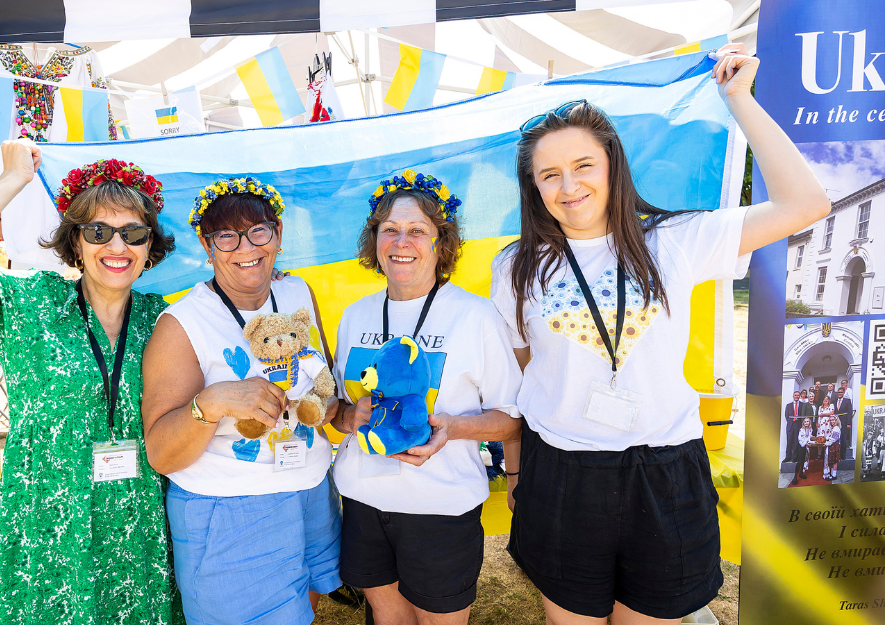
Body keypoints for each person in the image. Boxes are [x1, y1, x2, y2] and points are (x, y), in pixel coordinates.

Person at [491, 44, 831, 624]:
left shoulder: (673, 240)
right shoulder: (515, 266)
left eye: (583, 166)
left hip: (665, 473)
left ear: (612, 167)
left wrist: (739, 100)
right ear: (534, 188)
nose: (568, 185)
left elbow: (805, 203)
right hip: (564, 473)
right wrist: (522, 472)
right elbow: (528, 368)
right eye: (549, 174)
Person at [0, 141, 183, 625]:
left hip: (139, 522)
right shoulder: (31, 303)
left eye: (132, 233)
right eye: (99, 231)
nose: (117, 246)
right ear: (76, 241)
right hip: (51, 518)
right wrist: (12, 180)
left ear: (149, 246)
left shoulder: (164, 320)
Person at [141, 177, 341, 625]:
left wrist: (334, 409)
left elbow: (321, 381)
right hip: (230, 508)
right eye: (226, 236)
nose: (245, 246)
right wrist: (211, 403)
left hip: (310, 488)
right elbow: (161, 453)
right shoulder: (182, 323)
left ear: (278, 236)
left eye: (258, 231)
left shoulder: (295, 293)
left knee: (305, 609)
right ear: (206, 246)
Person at [330, 170, 522, 625]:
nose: (402, 241)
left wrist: (453, 427)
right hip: (363, 499)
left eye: (418, 231)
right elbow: (338, 411)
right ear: (374, 240)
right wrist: (350, 416)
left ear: (443, 243)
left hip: (439, 507)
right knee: (386, 614)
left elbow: (512, 419)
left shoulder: (475, 316)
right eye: (390, 230)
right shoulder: (354, 316)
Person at [783, 391, 812, 463]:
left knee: (796, 441)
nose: (796, 396)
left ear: (799, 396)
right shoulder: (788, 405)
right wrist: (791, 421)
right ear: (793, 396)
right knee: (789, 441)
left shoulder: (802, 405)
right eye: (795, 395)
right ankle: (787, 457)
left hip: (798, 424)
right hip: (790, 425)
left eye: (798, 395)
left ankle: (794, 457)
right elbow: (786, 416)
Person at [791, 417, 815, 485]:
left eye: (808, 421)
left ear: (809, 423)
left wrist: (812, 441)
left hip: (807, 447)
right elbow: (800, 439)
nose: (806, 423)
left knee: (804, 461)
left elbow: (809, 437)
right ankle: (795, 476)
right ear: (803, 423)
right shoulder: (801, 430)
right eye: (805, 422)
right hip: (802, 447)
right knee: (799, 461)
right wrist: (806, 443)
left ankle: (801, 473)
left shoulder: (810, 429)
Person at [834, 385, 854, 458]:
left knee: (843, 439)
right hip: (835, 423)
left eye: (841, 392)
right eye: (838, 392)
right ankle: (836, 454)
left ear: (843, 393)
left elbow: (849, 412)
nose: (839, 393)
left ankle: (842, 455)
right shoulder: (834, 401)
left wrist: (849, 423)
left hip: (844, 422)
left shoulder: (847, 401)